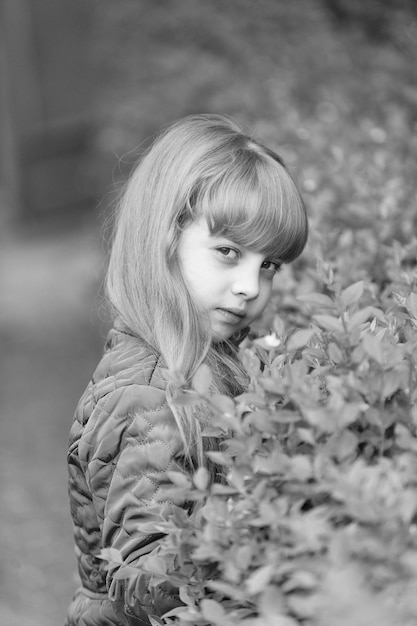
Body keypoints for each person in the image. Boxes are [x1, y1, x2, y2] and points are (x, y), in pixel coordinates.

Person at [65, 113, 308, 626]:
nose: (249, 286)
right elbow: (138, 583)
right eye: (228, 253)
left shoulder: (206, 360)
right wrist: (257, 529)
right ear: (164, 238)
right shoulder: (147, 397)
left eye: (268, 266)